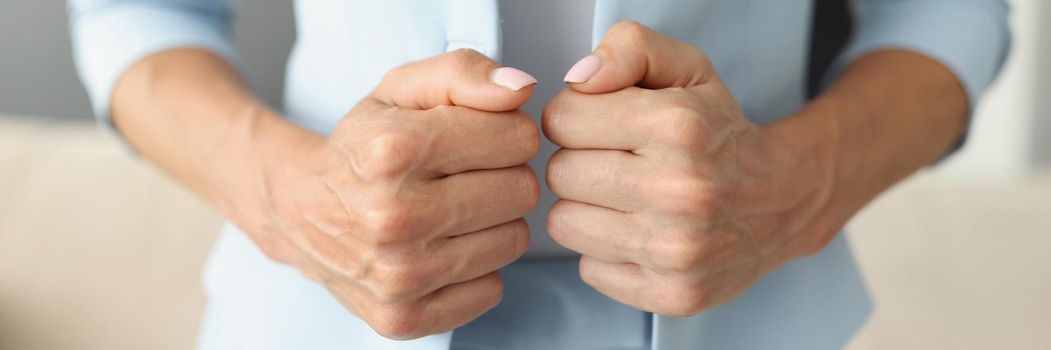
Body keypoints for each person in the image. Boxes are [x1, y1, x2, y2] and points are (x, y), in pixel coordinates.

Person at [68, 0, 1010, 349]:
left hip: (747, 312)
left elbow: (952, 13)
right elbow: (132, 13)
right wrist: (290, 198)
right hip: (323, 314)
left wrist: (797, 183)